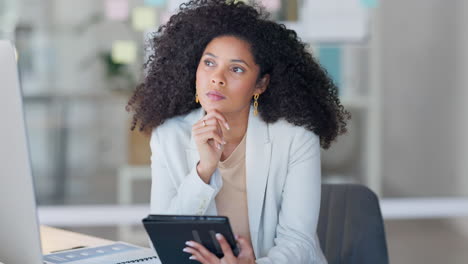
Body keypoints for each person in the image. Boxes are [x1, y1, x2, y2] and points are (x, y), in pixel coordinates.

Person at [127, 0, 349, 263]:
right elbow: (165, 234)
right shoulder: (169, 136)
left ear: (261, 84)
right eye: (209, 63)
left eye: (236, 69)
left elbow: (298, 242)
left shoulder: (296, 138)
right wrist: (203, 170)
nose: (217, 78)